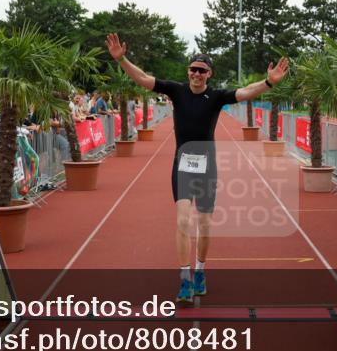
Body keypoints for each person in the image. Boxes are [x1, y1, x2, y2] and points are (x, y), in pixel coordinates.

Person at [105, 33, 289, 303]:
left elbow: (246, 92)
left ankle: (200, 269)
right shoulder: (176, 90)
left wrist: (268, 83)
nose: (196, 74)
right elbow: (143, 79)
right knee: (182, 221)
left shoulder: (216, 97)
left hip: (207, 167)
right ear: (188, 71)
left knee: (203, 224)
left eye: (202, 70)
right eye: (193, 69)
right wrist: (122, 60)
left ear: (209, 74)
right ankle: (184, 280)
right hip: (182, 166)